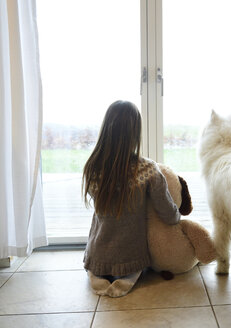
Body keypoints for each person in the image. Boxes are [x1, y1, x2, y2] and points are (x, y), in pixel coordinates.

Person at [82, 100, 181, 297]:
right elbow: (167, 212)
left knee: (96, 264)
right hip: (131, 255)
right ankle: (125, 279)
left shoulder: (92, 168)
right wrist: (177, 216)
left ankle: (97, 276)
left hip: (97, 253)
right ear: (135, 133)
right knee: (134, 267)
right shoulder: (148, 170)